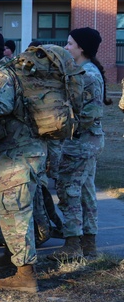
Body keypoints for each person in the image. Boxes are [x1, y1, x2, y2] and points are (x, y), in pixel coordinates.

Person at [0, 31, 46, 293]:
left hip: (20, 152)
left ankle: (25, 274)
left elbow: (1, 107)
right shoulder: (0, 72)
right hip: (10, 152)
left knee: (15, 210)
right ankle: (10, 252)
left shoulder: (1, 75)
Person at [47, 28, 108, 259]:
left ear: (81, 48)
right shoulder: (85, 71)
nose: (66, 47)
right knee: (84, 190)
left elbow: (88, 114)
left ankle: (73, 244)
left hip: (80, 142)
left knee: (69, 189)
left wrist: (59, 125)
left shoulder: (87, 75)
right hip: (86, 141)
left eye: (70, 44)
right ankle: (88, 243)